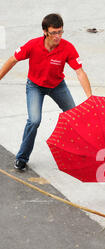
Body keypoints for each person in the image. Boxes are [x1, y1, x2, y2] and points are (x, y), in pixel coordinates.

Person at [0, 13, 92, 170]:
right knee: (34, 121)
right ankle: (22, 158)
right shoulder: (33, 45)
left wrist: (90, 97)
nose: (58, 36)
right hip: (35, 86)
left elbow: (80, 72)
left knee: (74, 115)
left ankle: (80, 152)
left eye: (60, 32)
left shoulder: (67, 47)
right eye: (54, 32)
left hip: (57, 85)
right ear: (45, 32)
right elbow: (12, 60)